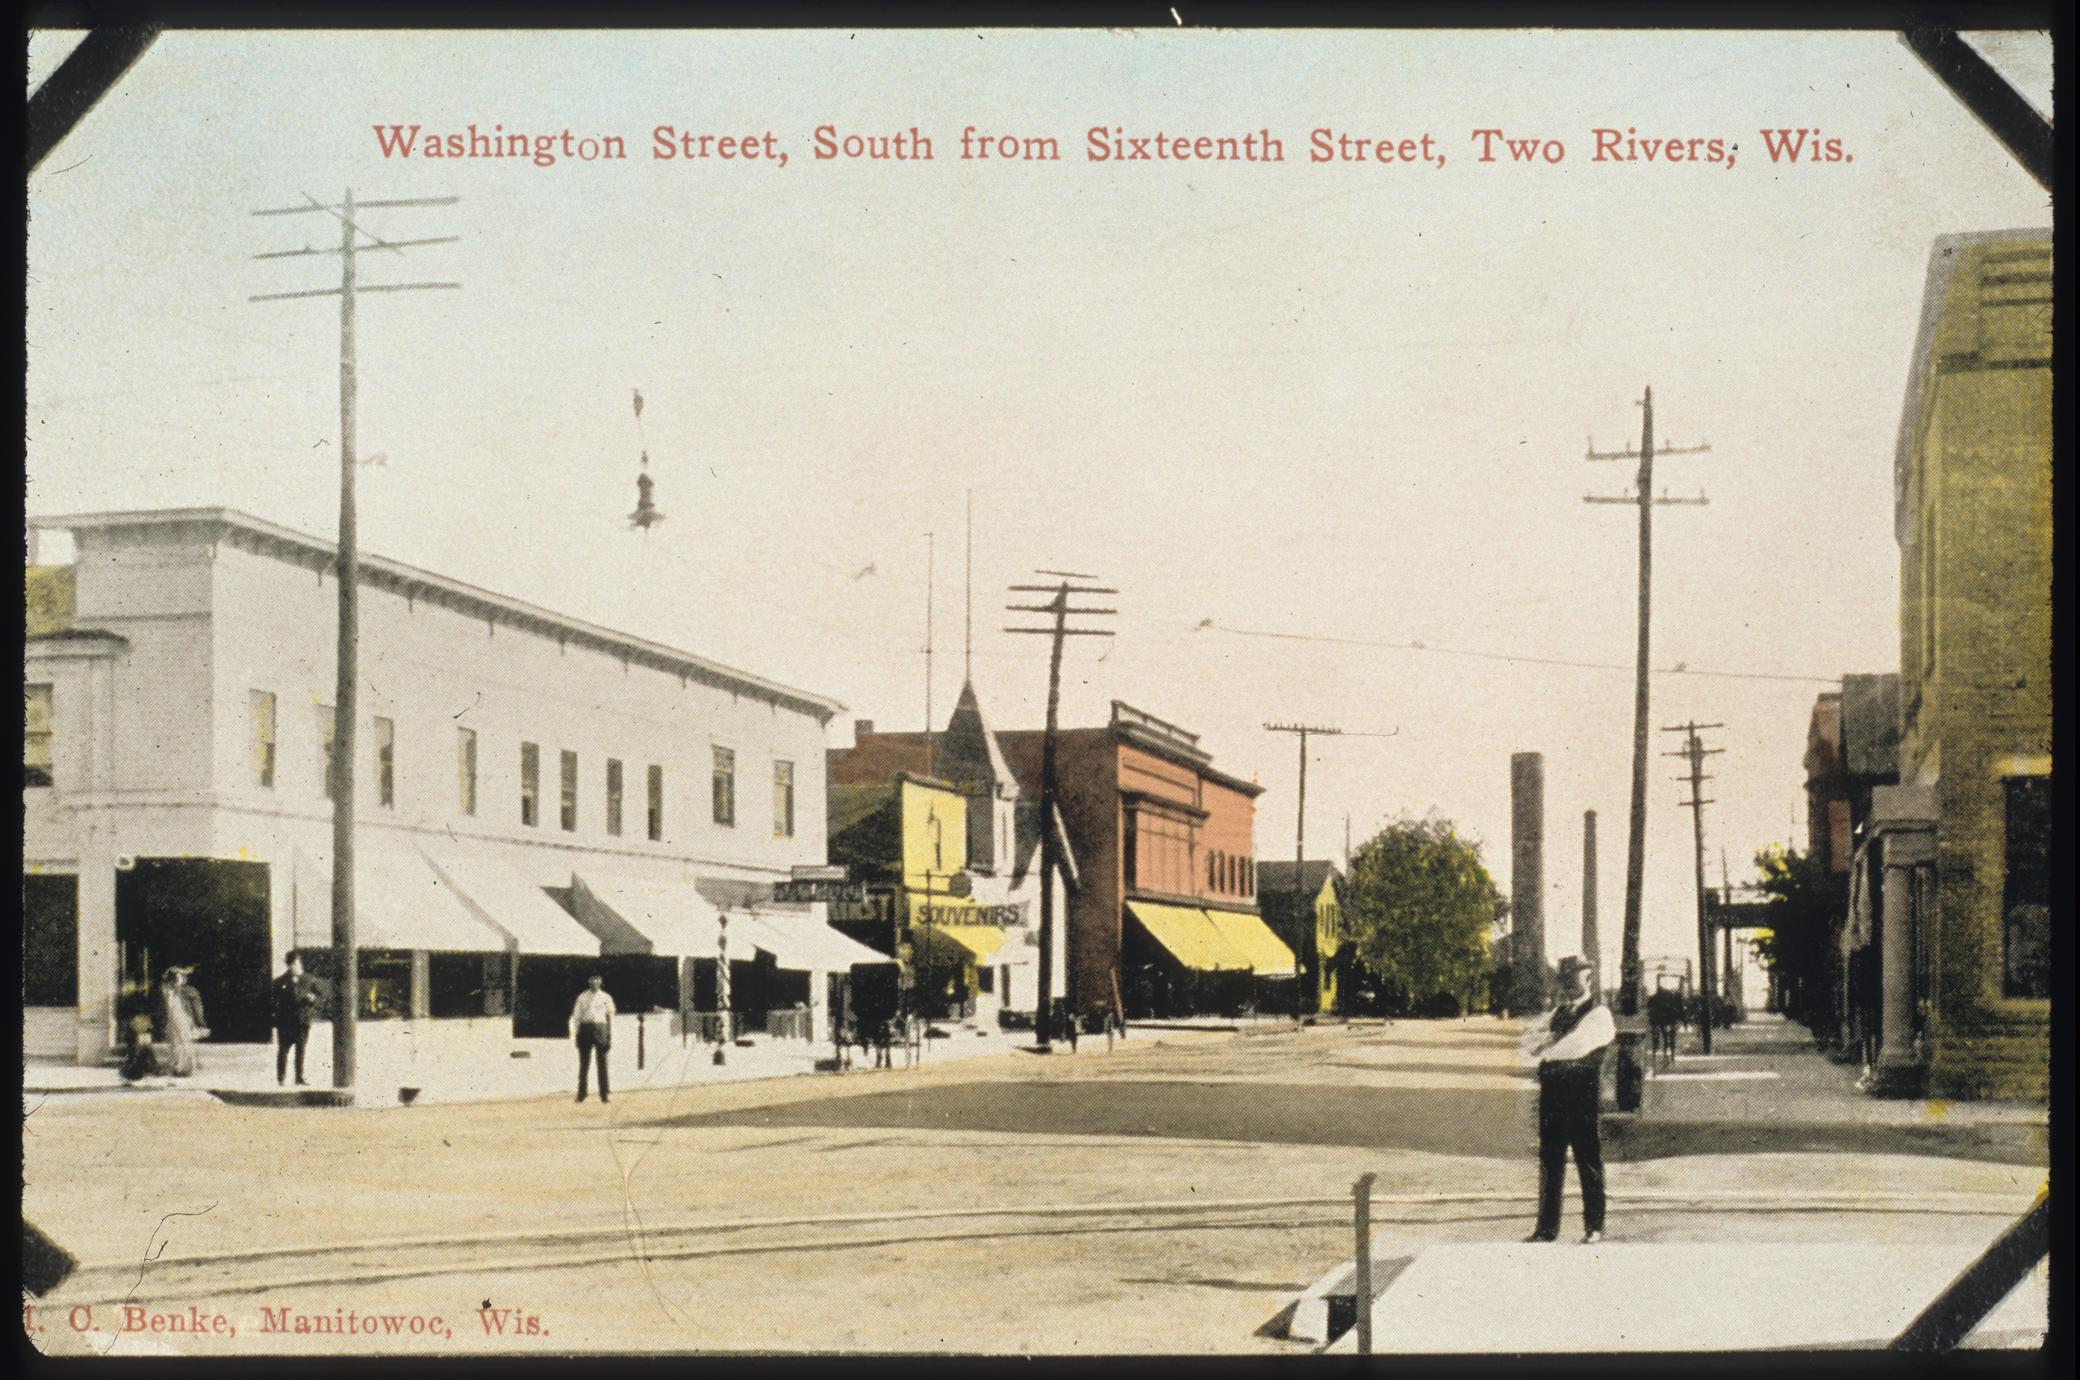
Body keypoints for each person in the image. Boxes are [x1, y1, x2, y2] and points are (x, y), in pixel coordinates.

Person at [1521, 955, 1613, 1244]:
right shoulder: (1559, 1012)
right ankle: (1546, 1229)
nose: (1570, 985)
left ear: (1589, 979)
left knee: (1588, 1158)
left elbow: (1578, 1045)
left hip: (1582, 1095)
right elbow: (1526, 1040)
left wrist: (1548, 1048)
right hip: (1553, 1094)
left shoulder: (1599, 1014)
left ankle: (1594, 1226)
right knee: (1550, 1159)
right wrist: (1546, 1043)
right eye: (1566, 980)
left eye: (1575, 978)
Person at [272, 952, 323, 1086]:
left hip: (302, 1021)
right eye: (294, 964)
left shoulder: (309, 980)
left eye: (299, 963)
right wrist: (275, 1018)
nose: (297, 966)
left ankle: (299, 1077)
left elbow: (321, 996)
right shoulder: (279, 982)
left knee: (301, 1049)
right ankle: (281, 1078)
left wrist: (313, 999)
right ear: (288, 965)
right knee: (283, 1049)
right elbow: (272, 1001)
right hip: (285, 1022)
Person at [569, 973, 616, 1103]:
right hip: (585, 1029)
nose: (594, 982)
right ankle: (581, 1094)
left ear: (600, 981)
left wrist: (609, 1036)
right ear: (588, 981)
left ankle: (604, 1094)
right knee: (584, 1063)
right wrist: (576, 1035)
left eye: (597, 980)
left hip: (601, 1029)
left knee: (602, 1063)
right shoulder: (582, 997)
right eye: (592, 980)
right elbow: (576, 1017)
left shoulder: (606, 997)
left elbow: (610, 1016)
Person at [156, 966, 207, 1078]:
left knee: (185, 1042)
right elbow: (162, 1006)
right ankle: (177, 1068)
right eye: (177, 977)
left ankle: (188, 1068)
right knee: (174, 1043)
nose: (179, 979)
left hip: (183, 1018)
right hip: (172, 1019)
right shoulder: (166, 990)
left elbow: (197, 1008)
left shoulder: (188, 991)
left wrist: (199, 1022)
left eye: (180, 977)